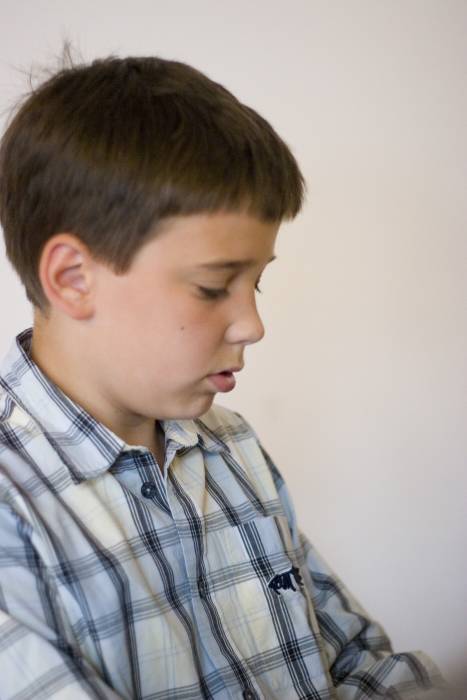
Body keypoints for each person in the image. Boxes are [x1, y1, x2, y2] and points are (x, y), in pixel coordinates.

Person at [0, 52, 447, 699]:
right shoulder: (15, 512)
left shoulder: (229, 446)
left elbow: (355, 665)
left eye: (256, 283)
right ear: (73, 279)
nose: (252, 324)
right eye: (213, 288)